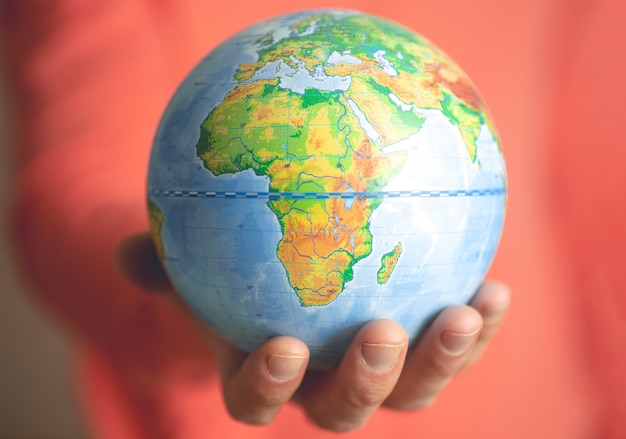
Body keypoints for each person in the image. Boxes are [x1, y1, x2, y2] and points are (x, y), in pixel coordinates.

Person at [1, 0, 623, 437]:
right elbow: (71, 187)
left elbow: (602, 189)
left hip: (535, 408)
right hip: (208, 402)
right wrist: (161, 316)